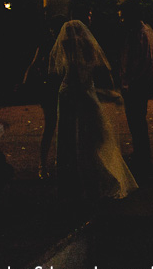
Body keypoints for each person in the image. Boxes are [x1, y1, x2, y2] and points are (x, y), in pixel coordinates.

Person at [49, 20, 137, 201]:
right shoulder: (87, 47)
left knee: (75, 137)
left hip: (70, 93)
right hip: (80, 93)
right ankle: (87, 181)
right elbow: (91, 72)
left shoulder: (67, 46)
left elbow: (66, 72)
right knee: (90, 137)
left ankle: (75, 182)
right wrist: (106, 93)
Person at [119, 0, 153, 175]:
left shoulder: (141, 33)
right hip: (141, 82)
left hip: (137, 84)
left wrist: (128, 81)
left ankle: (142, 157)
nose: (122, 19)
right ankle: (141, 155)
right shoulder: (146, 31)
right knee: (138, 121)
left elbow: (141, 61)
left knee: (136, 121)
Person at [23, 14, 65, 179]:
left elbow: (34, 64)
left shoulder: (56, 44)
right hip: (52, 88)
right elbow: (34, 64)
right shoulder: (50, 45)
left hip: (55, 87)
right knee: (52, 125)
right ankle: (45, 163)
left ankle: (49, 162)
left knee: (54, 126)